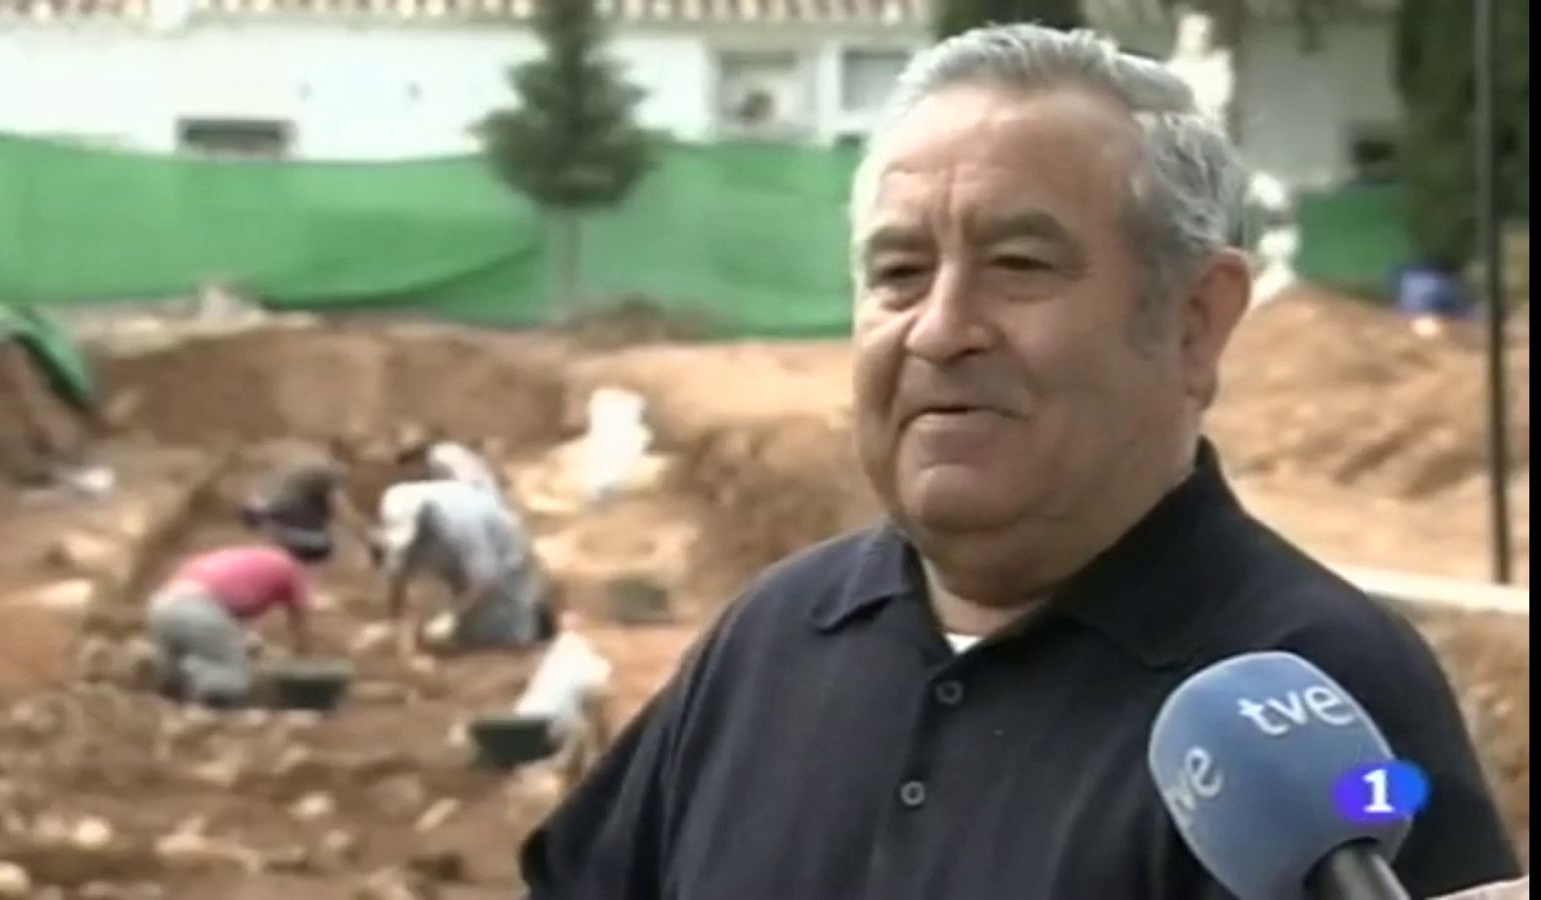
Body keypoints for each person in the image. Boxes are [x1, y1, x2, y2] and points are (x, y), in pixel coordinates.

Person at [518, 25, 1520, 900]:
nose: (941, 330)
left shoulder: (1319, 701)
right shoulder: (770, 639)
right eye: (899, 273)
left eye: (1019, 266)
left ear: (1192, 322)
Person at [371, 463, 555, 655]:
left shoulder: (462, 528)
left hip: (501, 551)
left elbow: (484, 579)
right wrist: (393, 615)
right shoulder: (396, 502)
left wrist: (451, 616)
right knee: (467, 628)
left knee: (498, 636)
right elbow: (399, 565)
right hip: (462, 550)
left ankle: (536, 632)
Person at [145, 543, 318, 708]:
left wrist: (248, 644)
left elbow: (230, 617)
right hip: (200, 609)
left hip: (162, 605)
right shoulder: (290, 569)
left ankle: (169, 703)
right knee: (228, 679)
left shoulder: (249, 560)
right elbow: (300, 619)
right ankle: (204, 713)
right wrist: (304, 655)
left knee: (175, 673)